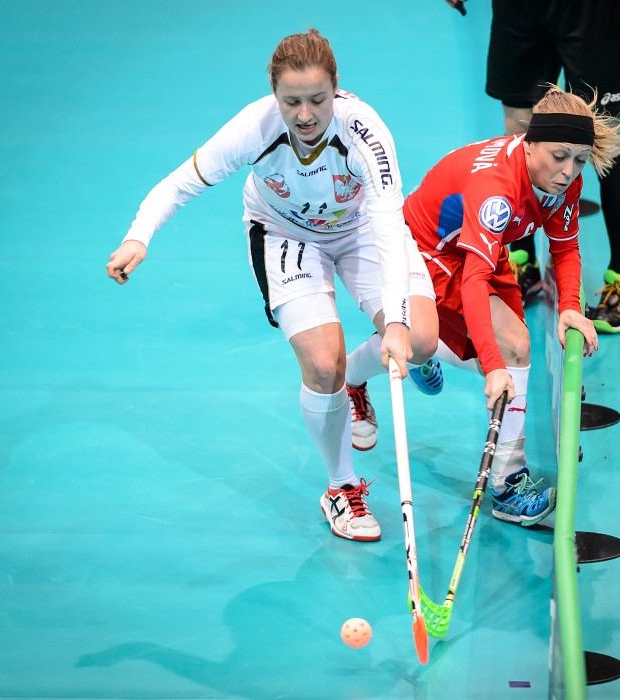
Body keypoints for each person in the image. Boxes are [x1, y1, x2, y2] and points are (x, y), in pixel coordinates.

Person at [105, 29, 441, 543]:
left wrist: (396, 322)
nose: (305, 115)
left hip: (359, 230)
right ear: (274, 93)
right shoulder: (255, 126)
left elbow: (388, 223)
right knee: (323, 364)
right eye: (291, 101)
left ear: (336, 87)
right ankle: (341, 487)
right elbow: (179, 183)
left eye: (318, 100)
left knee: (420, 340)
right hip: (285, 234)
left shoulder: (365, 132)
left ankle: (356, 381)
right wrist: (138, 236)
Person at [402, 85, 620, 526]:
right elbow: (473, 280)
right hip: (429, 247)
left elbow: (565, 247)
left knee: (508, 350)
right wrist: (492, 365)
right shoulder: (496, 192)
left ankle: (412, 345)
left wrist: (570, 307)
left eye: (580, 160)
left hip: (481, 245)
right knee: (511, 348)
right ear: (530, 142)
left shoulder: (564, 181)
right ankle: (506, 484)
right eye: (559, 156)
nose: (569, 171)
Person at [450, 0, 620, 333]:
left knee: (608, 140)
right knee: (519, 131)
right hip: (519, 8)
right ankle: (522, 261)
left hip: (590, 10)